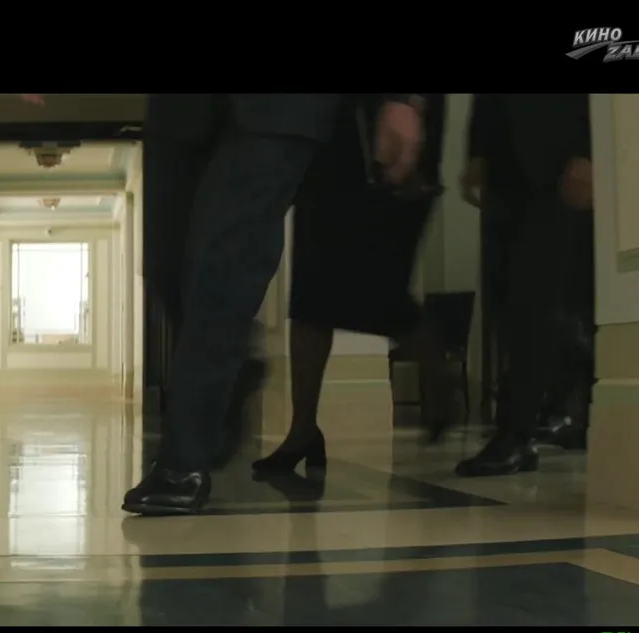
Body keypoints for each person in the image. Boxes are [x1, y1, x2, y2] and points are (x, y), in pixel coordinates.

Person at [109, 94, 424, 515]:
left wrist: (400, 99)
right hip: (179, 108)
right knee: (165, 264)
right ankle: (233, 369)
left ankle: (182, 463)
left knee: (223, 263)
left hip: (280, 111)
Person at [254, 94, 451, 477]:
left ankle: (433, 363)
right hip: (331, 135)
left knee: (379, 287)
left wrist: (407, 102)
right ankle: (302, 428)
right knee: (309, 292)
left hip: (385, 126)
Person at [455, 94, 593, 476]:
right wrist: (477, 150)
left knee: (537, 301)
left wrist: (588, 150)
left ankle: (516, 434)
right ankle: (551, 404)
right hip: (504, 164)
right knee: (504, 300)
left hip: (559, 163)